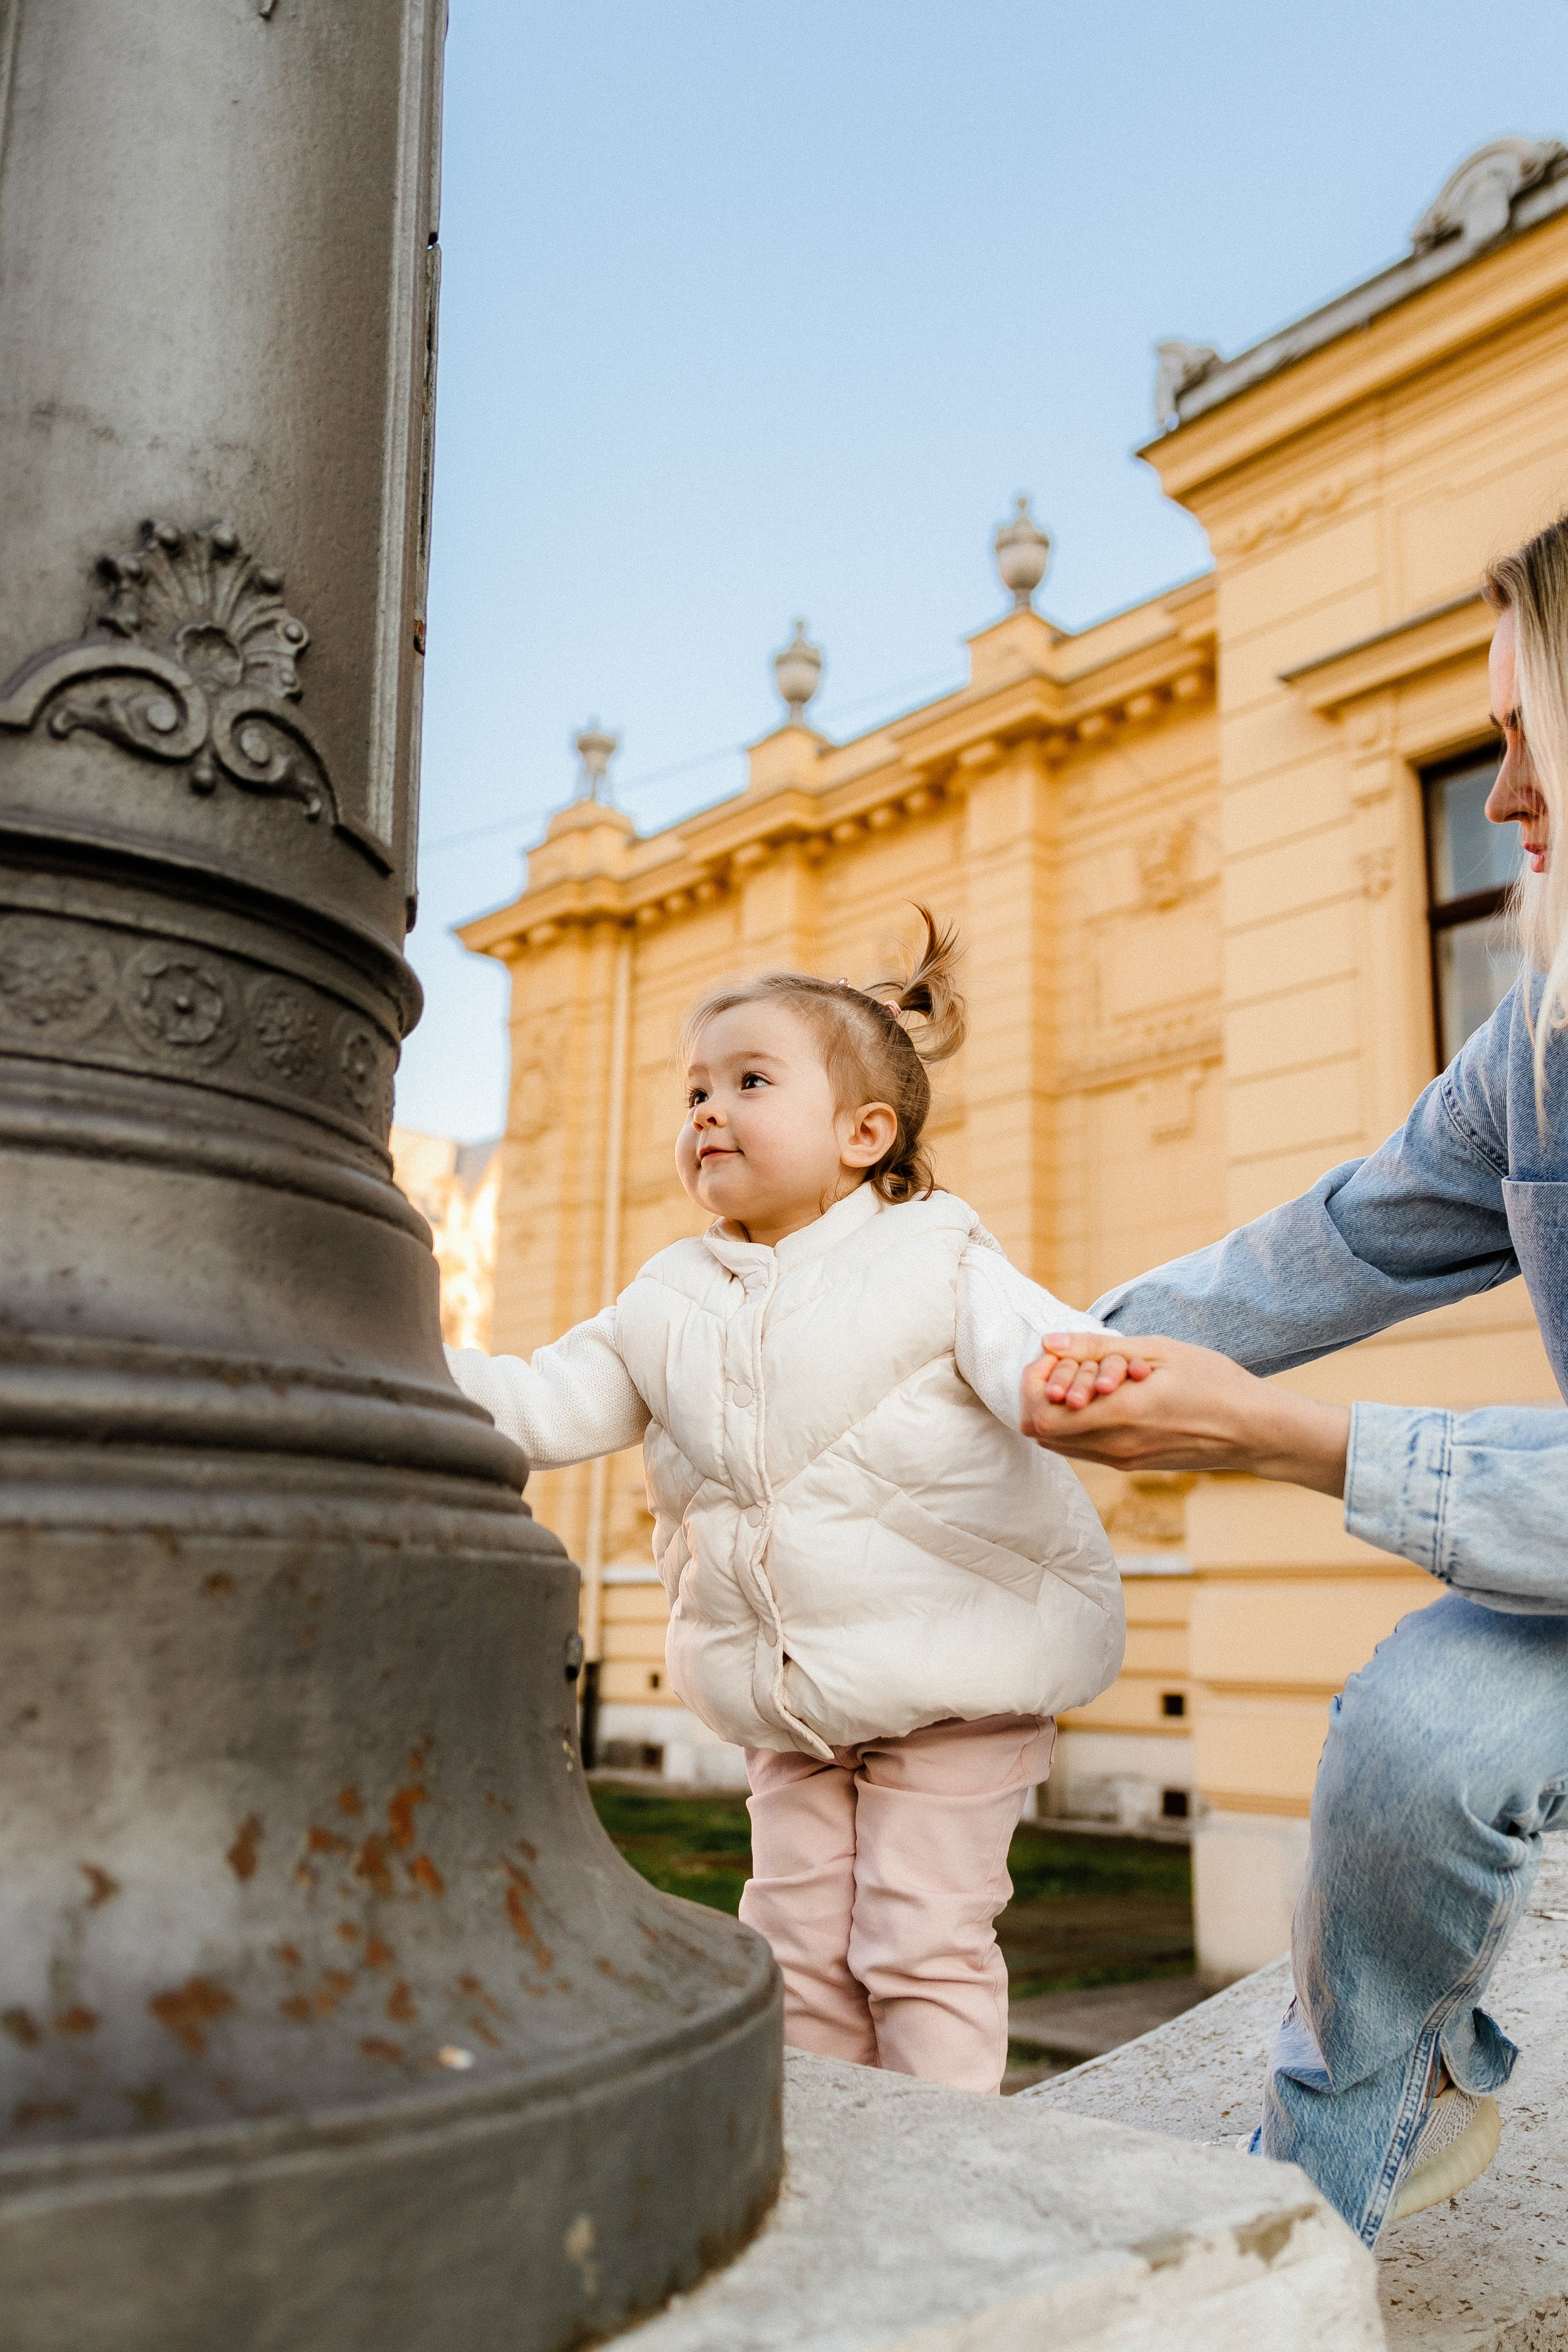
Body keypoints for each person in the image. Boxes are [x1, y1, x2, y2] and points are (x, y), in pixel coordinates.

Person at [1016, 513, 1568, 2247]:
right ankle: (1317, 2199)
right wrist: (1046, 1351)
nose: (1499, 796)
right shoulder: (1535, 1044)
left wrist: (1275, 1437)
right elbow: (1326, 1245)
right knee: (1416, 1732)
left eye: (1529, 736)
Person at [447, 913, 1123, 2095]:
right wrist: (404, 1363)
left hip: (956, 1679)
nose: (707, 1112)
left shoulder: (941, 1257)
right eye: (694, 1092)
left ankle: (945, 2160)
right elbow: (542, 1406)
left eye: (749, 1083)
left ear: (865, 1135)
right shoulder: (667, 1298)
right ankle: (828, 2144)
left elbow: (1040, 1346)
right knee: (797, 1946)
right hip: (795, 1704)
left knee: (920, 1942)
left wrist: (1066, 1379)